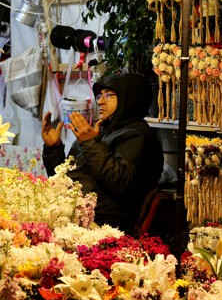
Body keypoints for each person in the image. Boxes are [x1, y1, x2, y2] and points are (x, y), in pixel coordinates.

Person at [42, 72, 164, 234]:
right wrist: (53, 149)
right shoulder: (101, 131)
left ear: (130, 98)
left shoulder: (139, 136)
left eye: (109, 95)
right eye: (99, 95)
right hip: (73, 216)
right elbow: (64, 179)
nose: (100, 100)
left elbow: (120, 182)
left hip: (105, 226)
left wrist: (90, 143)